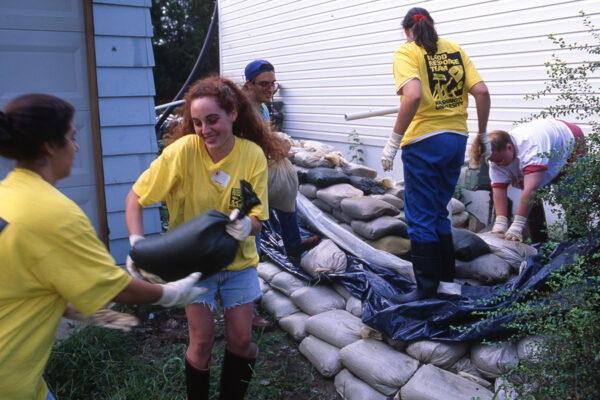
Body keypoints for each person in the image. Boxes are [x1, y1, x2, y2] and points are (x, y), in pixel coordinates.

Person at [0, 93, 205, 400]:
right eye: (72, 137)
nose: (77, 147)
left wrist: (85, 313)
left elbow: (23, 280)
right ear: (49, 146)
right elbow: (116, 287)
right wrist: (171, 293)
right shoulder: (54, 213)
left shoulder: (7, 195)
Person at [125, 76, 287, 399]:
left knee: (241, 340)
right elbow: (135, 197)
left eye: (212, 119)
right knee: (201, 341)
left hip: (237, 261)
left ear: (233, 114)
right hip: (192, 262)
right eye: (197, 122)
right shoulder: (182, 152)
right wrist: (137, 242)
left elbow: (254, 215)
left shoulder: (251, 155)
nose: (204, 129)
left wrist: (246, 227)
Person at [380, 8, 491, 302]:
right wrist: (481, 134)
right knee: (439, 209)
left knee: (419, 214)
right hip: (456, 138)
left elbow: (413, 95)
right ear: (431, 24)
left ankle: (426, 288)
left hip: (425, 142)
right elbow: (481, 91)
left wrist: (393, 140)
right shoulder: (454, 50)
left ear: (407, 30)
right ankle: (446, 281)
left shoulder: (407, 52)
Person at [244, 60, 320, 328]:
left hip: (263, 171)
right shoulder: (241, 110)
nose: (270, 88)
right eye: (264, 84)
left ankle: (292, 242)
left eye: (272, 83)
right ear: (249, 84)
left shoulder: (263, 107)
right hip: (247, 181)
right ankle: (248, 311)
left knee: (289, 197)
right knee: (249, 243)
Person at [470, 118, 585, 243]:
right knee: (532, 198)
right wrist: (500, 222)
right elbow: (499, 188)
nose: (498, 165)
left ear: (509, 147)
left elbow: (530, 190)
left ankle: (577, 244)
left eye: (500, 160)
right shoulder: (496, 157)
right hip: (546, 148)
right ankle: (540, 244)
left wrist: (518, 224)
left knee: (570, 197)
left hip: (570, 143)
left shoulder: (531, 149)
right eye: (494, 161)